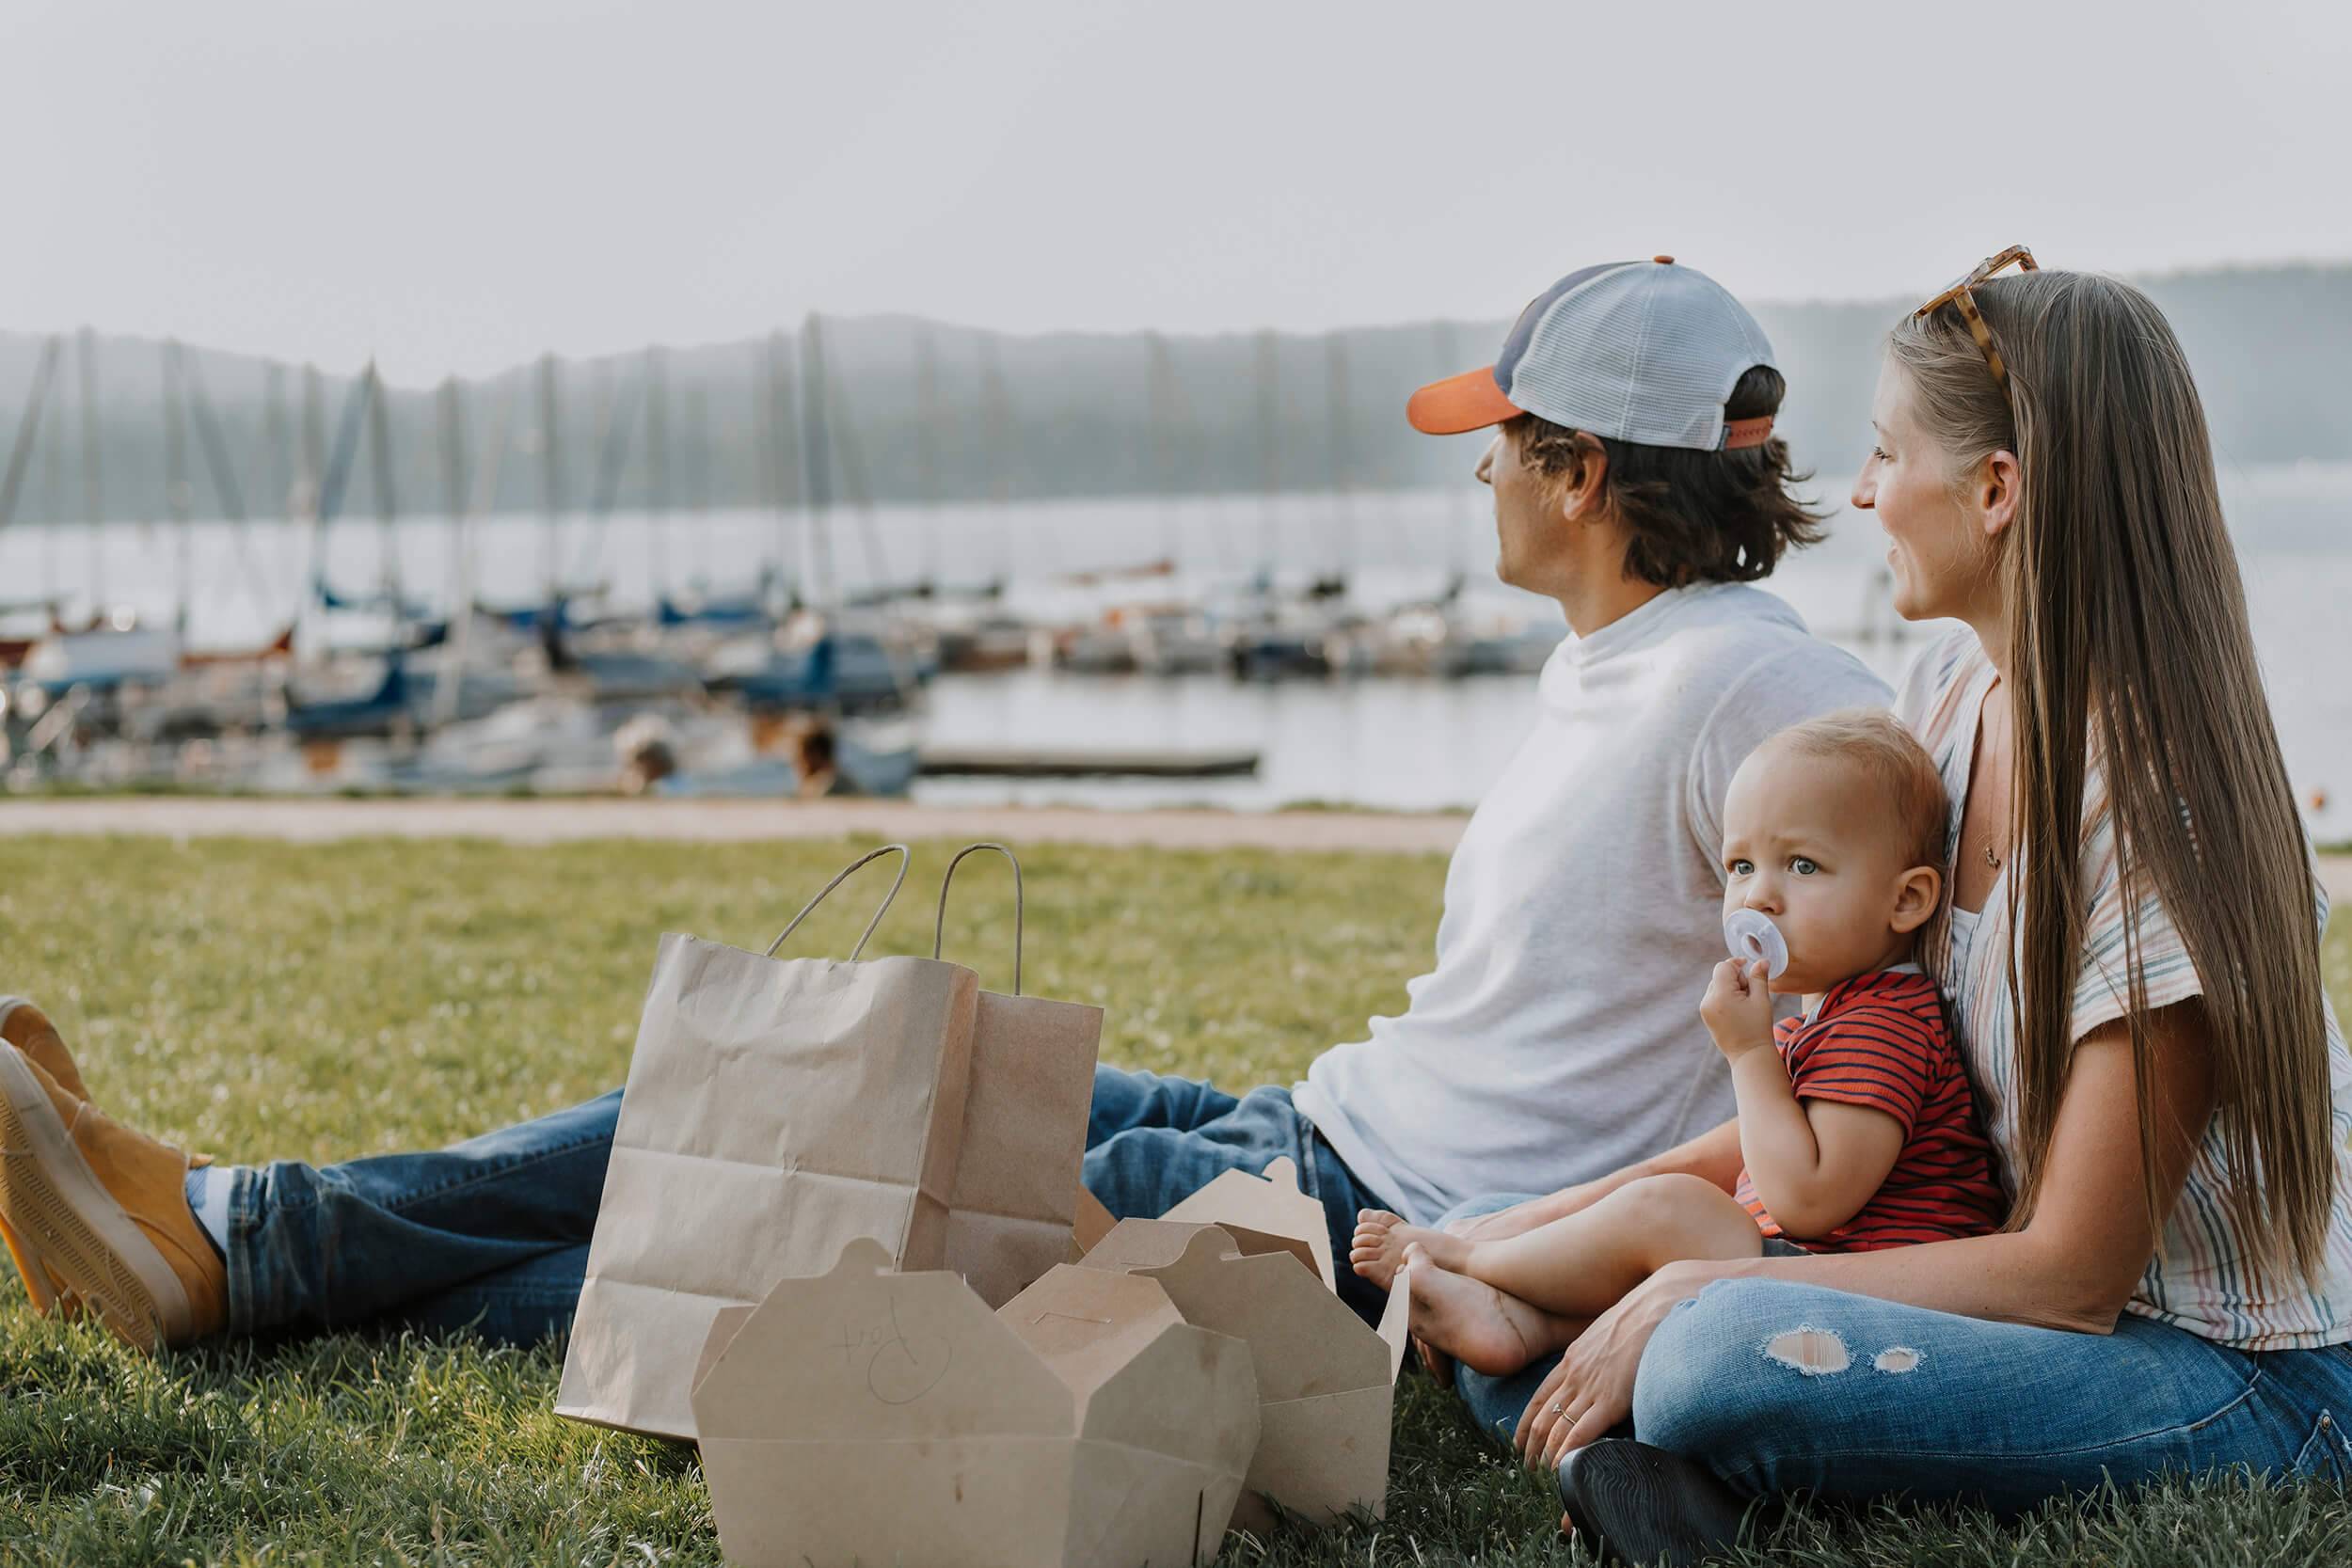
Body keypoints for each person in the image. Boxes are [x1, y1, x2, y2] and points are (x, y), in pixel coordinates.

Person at [0, 258, 1890, 1351]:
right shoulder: (1639, 659)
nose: (1472, 470)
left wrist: (1568, 1266)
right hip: (1308, 1123)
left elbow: (1868, 1031)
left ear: (1578, 469)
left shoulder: (1758, 683)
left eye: (1497, 441)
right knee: (847, 1048)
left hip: (1348, 1218)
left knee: (804, 1207)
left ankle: (239, 1242)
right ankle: (230, 1227)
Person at [1444, 251, 2352, 1567]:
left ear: (1996, 491)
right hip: (2010, 1289)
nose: (1862, 490)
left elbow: (2072, 1276)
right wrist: (1524, 1223)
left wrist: (1713, 1282)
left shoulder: (2157, 816)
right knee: (1547, 1245)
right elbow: (1832, 1091)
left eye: (1883, 453)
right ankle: (1620, 1441)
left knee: (1704, 1351)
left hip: (2232, 1363)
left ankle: (1614, 1425)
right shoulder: (1945, 699)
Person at [1349, 710, 2004, 1375]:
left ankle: (1471, 1259)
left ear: (1907, 899)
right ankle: (1522, 1323)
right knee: (1662, 1221)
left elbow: (1807, 1201)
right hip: (1810, 1272)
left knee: (1676, 1212)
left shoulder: (1883, 1025)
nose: (1760, 896)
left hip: (1865, 1304)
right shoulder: (1833, 1019)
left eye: (1803, 865)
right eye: (1742, 864)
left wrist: (1750, 1057)